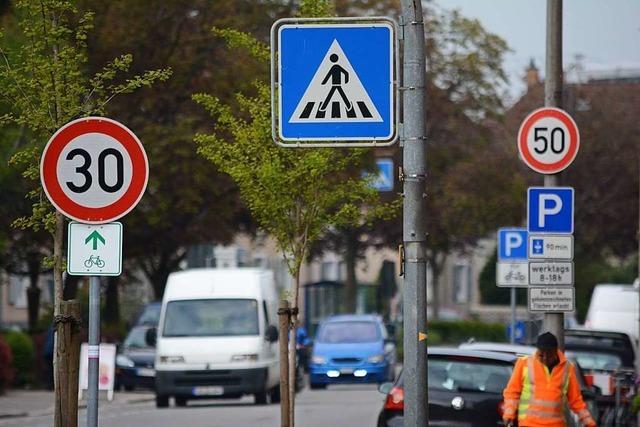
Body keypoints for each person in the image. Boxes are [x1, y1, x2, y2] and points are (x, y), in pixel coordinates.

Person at [502, 332, 596, 427]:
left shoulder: (567, 369)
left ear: (556, 352)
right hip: (528, 423)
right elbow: (512, 392)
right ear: (537, 351)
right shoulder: (524, 363)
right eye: (541, 355)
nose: (545, 358)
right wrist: (509, 413)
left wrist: (588, 421)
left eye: (549, 355)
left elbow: (576, 400)